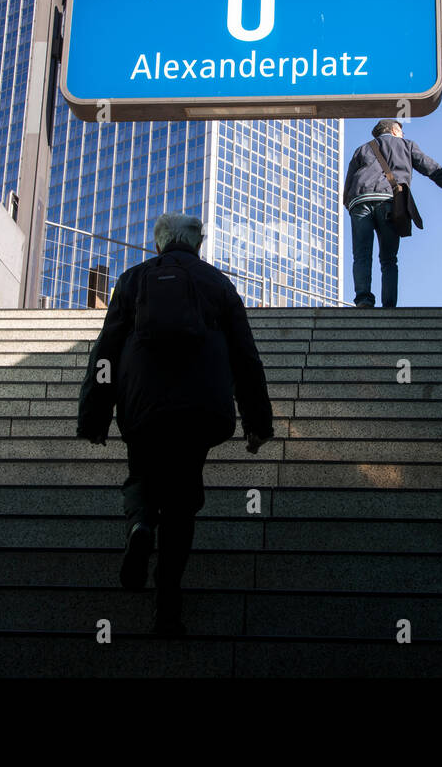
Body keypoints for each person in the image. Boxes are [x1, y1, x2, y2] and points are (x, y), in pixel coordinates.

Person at [76, 212, 275, 635]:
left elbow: (106, 352)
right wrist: (257, 422)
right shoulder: (219, 284)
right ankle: (167, 603)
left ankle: (141, 525)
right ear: (197, 245)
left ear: (159, 243)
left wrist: (95, 414)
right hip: (201, 407)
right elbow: (245, 356)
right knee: (183, 498)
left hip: (141, 403)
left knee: (141, 471)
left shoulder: (133, 280)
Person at [341, 119, 442, 308]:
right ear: (394, 131)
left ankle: (363, 300)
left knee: (361, 255)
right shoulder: (406, 145)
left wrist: (350, 204)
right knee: (388, 258)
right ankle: (389, 306)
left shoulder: (362, 149)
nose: (402, 134)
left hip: (360, 201)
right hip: (389, 201)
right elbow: (431, 169)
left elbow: (348, 182)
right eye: (401, 131)